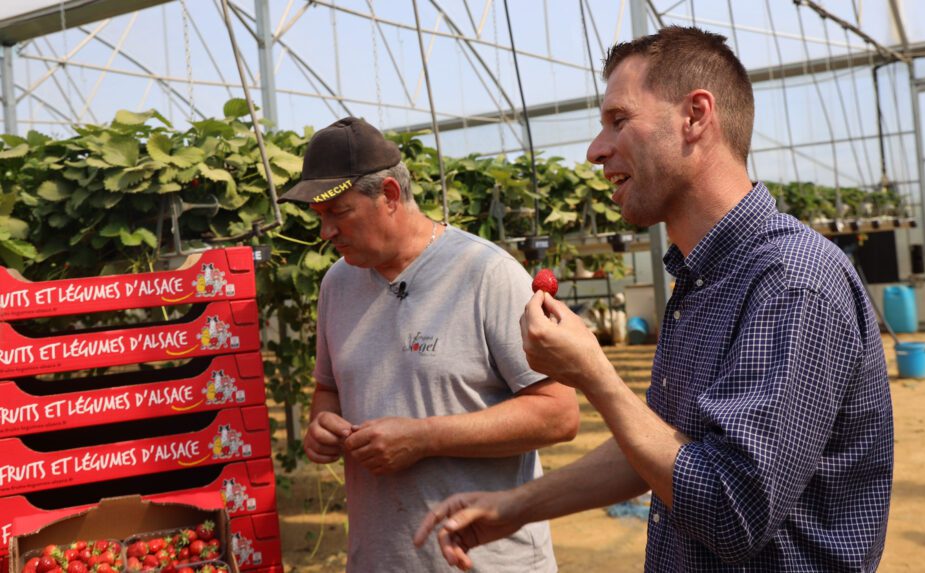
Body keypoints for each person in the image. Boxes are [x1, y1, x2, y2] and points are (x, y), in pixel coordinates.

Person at [415, 26, 894, 572]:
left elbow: (730, 511)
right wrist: (516, 506)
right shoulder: (701, 278)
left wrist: (594, 373)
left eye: (619, 120)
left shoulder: (791, 282)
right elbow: (662, 447)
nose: (596, 150)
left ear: (695, 117)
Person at [279, 117, 579, 572]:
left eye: (338, 212)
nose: (326, 233)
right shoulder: (336, 285)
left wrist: (424, 437)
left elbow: (558, 413)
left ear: (390, 196)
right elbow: (329, 390)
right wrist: (322, 424)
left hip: (483, 561)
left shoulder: (485, 274)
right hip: (381, 560)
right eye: (319, 217)